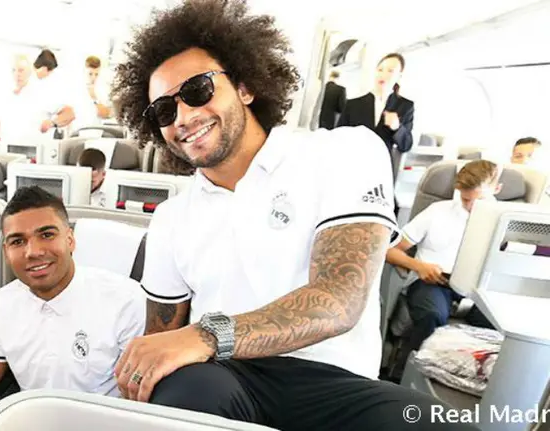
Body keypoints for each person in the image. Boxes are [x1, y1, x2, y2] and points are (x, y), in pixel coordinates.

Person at [109, 1, 476, 430]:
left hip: (334, 384)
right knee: (185, 396)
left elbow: (338, 300)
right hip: (224, 377)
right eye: (165, 112)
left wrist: (205, 335)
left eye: (197, 90)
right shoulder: (172, 217)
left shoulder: (343, 152)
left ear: (244, 87)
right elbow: (162, 338)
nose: (185, 116)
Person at [0, 186, 145, 430]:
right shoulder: (6, 303)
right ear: (6, 252)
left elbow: (141, 403)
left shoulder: (124, 299)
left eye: (47, 235)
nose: (34, 252)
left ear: (70, 240)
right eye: (18, 241)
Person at [387, 160, 500, 374]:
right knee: (432, 315)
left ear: (497, 189)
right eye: (466, 199)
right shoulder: (437, 212)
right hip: (434, 283)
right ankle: (403, 375)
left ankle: (480, 382)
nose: (471, 207)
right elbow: (390, 250)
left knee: (503, 328)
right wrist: (418, 266)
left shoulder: (507, 220)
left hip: (481, 291)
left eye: (480, 200)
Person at [0, 53, 75, 152]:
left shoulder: (43, 93)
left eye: (21, 70)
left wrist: (52, 122)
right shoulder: (4, 95)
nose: (17, 74)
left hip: (34, 154)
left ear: (29, 72)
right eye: (14, 70)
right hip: (8, 152)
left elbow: (69, 113)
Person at [338, 53, 415, 155]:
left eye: (390, 71)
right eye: (380, 69)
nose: (383, 74)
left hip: (381, 165)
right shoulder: (353, 104)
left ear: (399, 76)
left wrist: (397, 128)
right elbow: (338, 137)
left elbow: (406, 146)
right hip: (352, 161)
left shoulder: (405, 106)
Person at [74, 55, 113, 129]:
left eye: (96, 74)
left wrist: (94, 98)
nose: (93, 78)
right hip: (76, 131)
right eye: (90, 74)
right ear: (84, 71)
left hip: (95, 131)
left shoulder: (102, 90)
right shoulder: (76, 89)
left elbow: (105, 113)